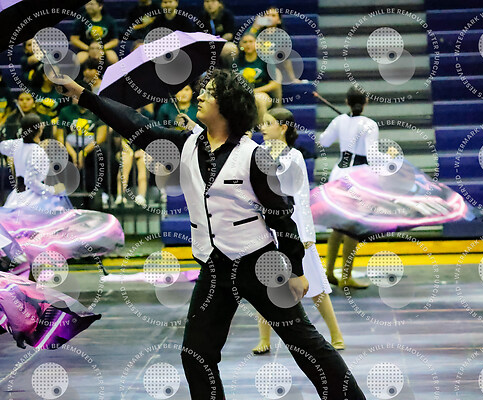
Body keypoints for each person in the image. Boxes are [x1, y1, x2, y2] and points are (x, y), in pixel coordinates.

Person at [54, 69, 365, 400]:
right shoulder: (184, 145)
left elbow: (281, 217)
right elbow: (134, 125)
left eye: (209, 92)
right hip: (215, 266)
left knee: (305, 345)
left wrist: (297, 271)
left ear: (227, 105)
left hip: (261, 263)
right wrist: (83, 96)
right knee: (196, 354)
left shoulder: (254, 155)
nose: (200, 96)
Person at [252, 107, 345, 354]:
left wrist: (307, 235)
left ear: (283, 127)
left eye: (268, 123)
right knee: (266, 284)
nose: (262, 128)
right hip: (267, 224)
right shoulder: (258, 152)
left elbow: (302, 197)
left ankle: (336, 334)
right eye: (262, 123)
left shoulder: (293, 156)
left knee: (315, 284)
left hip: (294, 225)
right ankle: (264, 339)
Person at [319, 87, 378, 289]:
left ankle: (329, 272)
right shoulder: (369, 124)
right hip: (358, 176)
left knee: (338, 226)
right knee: (352, 228)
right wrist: (390, 157)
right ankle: (346, 276)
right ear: (366, 101)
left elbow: (324, 141)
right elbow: (372, 155)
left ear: (346, 101)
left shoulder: (340, 120)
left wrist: (341, 126)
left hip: (338, 174)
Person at [0, 114, 66, 209]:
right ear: (39, 130)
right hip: (33, 199)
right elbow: (31, 181)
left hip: (16, 197)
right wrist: (52, 190)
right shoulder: (37, 151)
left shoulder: (17, 144)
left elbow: (2, 146)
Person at [55, 82, 107, 194]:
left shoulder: (98, 110)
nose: (73, 97)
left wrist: (83, 153)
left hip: (91, 147)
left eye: (77, 94)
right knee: (58, 151)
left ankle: (99, 191)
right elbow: (60, 137)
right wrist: (74, 154)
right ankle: (63, 190)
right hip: (70, 146)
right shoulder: (65, 111)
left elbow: (101, 137)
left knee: (102, 152)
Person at [70, 0, 119, 65]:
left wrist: (102, 48)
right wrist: (90, 49)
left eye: (91, 4)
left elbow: (115, 40)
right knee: (79, 59)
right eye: (87, 4)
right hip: (85, 49)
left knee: (113, 58)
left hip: (104, 49)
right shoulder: (80, 20)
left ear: (100, 6)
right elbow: (74, 39)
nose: (88, 6)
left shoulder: (109, 21)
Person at [237, 32, 281, 100]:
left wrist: (254, 91)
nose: (248, 44)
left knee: (259, 99)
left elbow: (275, 84)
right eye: (245, 42)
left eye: (251, 41)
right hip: (242, 95)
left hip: (262, 93)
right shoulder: (236, 61)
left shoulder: (266, 60)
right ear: (241, 45)